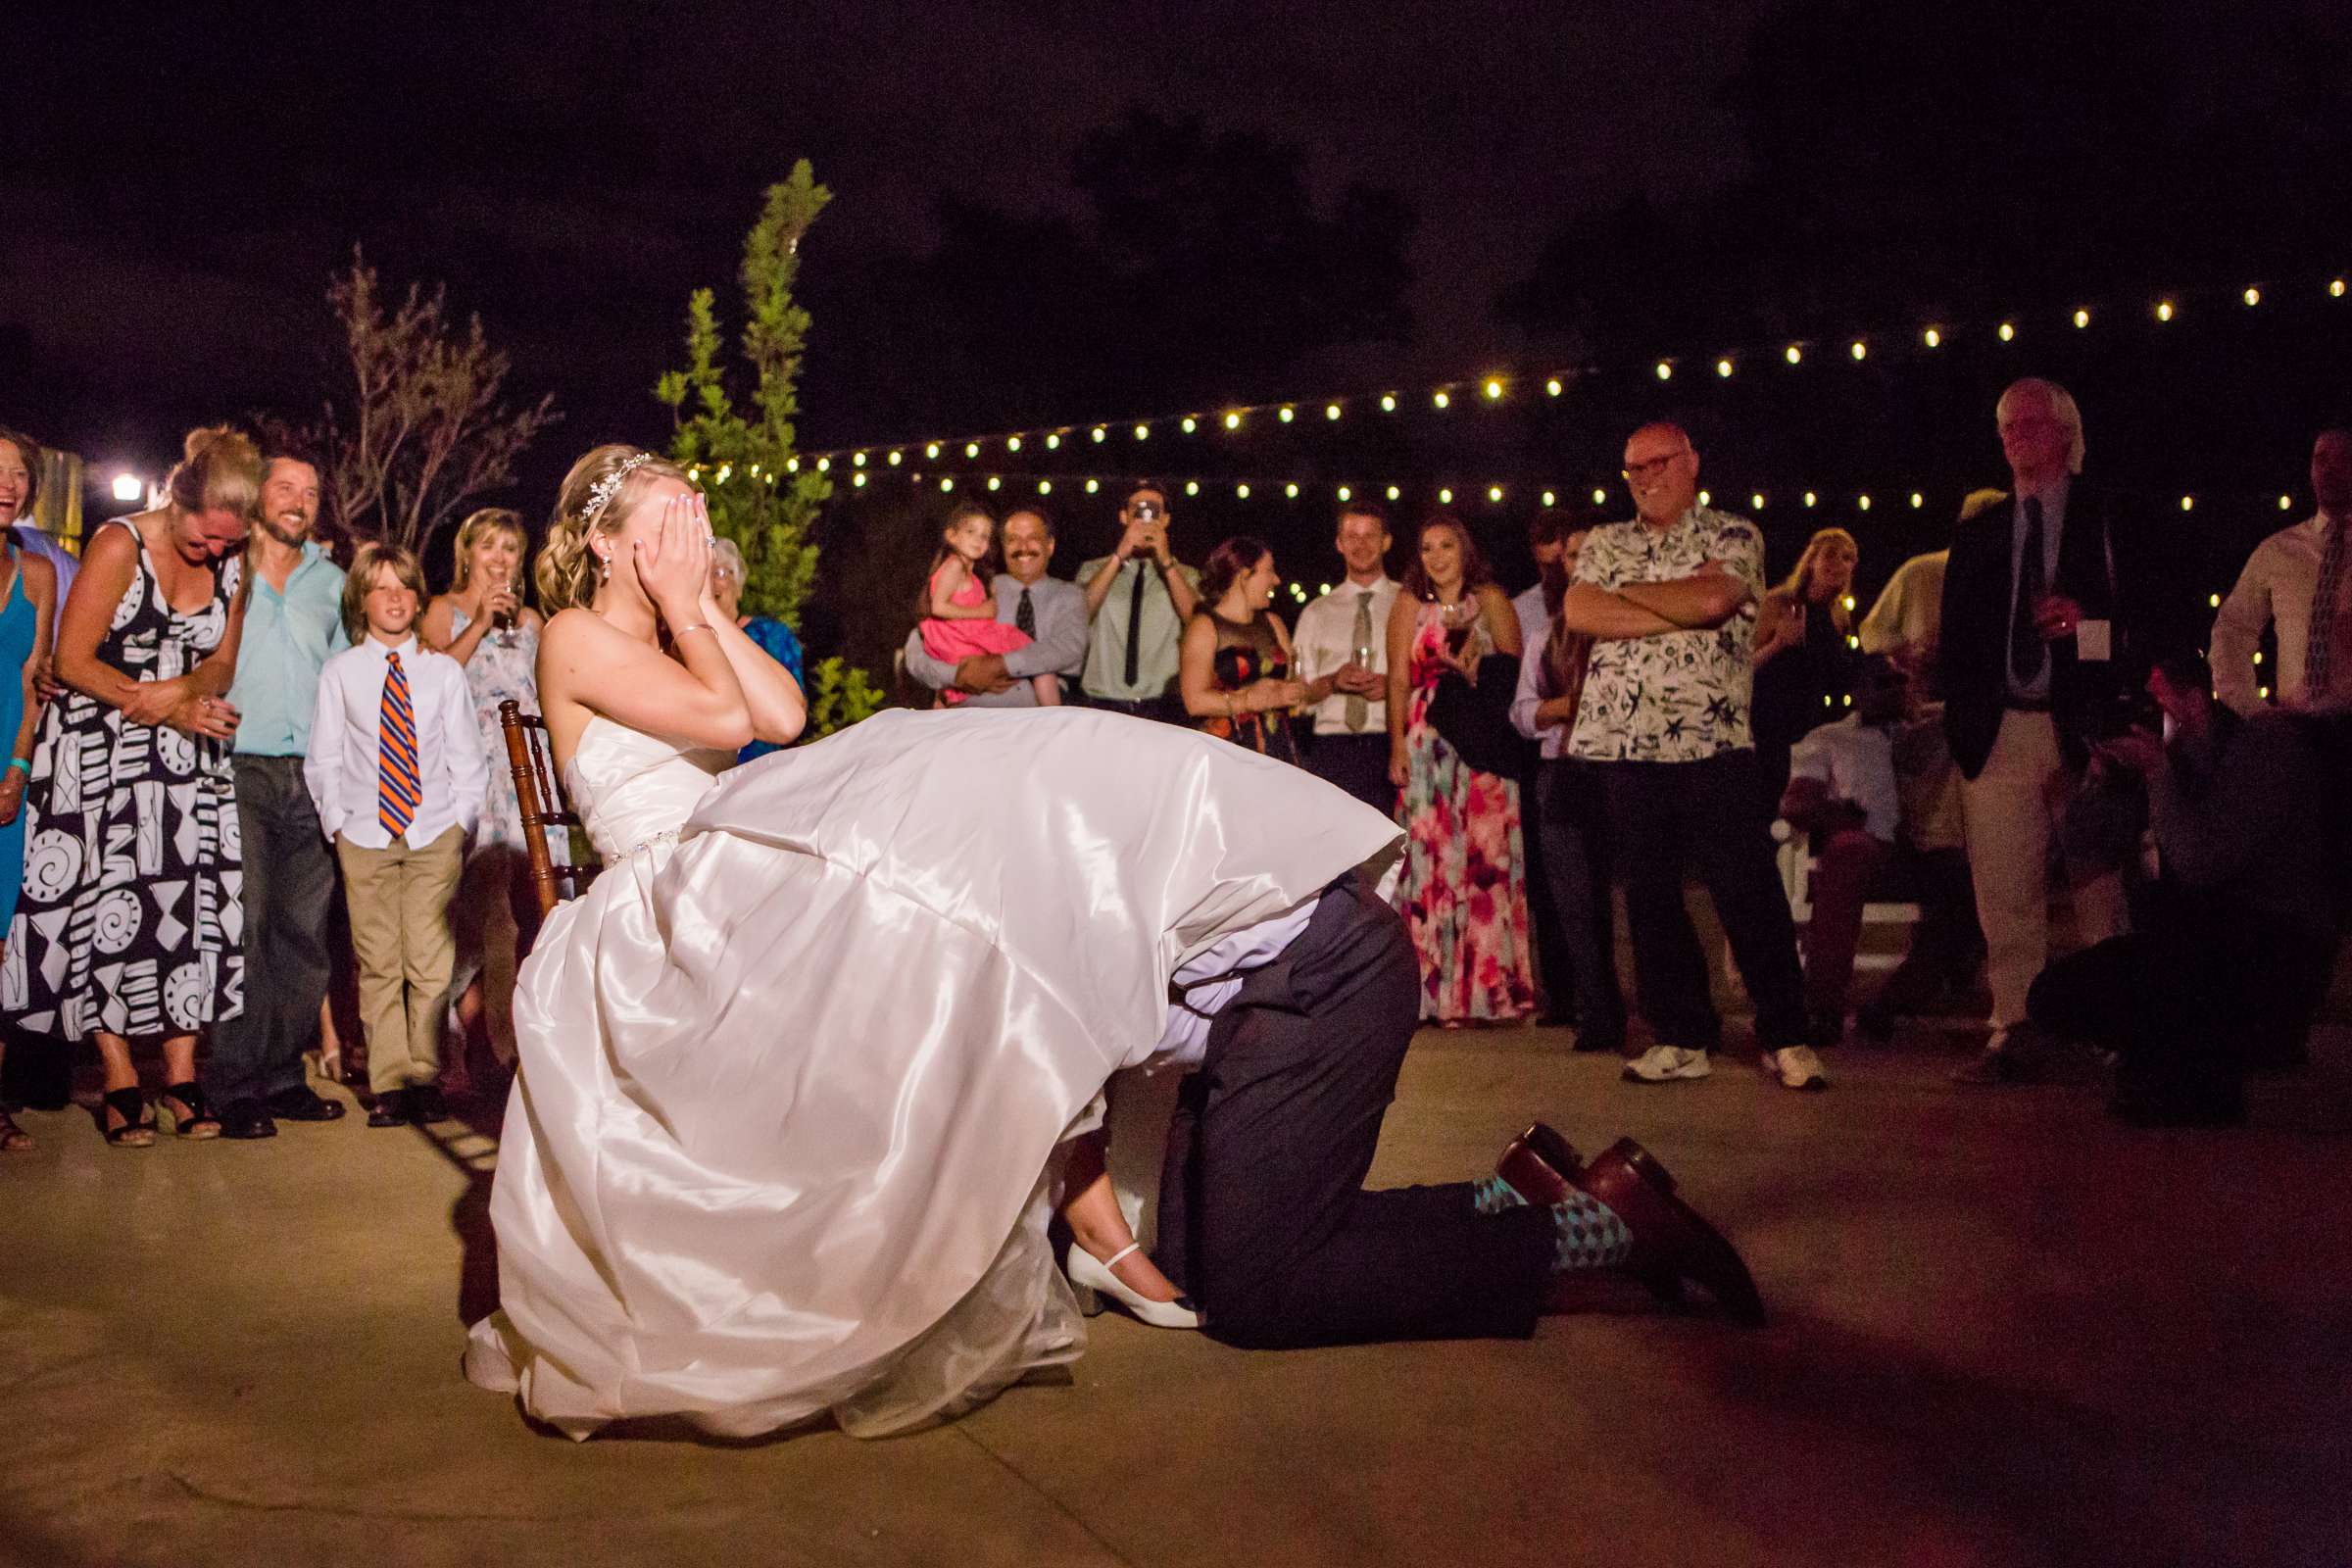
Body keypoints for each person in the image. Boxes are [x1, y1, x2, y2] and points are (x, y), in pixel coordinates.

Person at [466, 444, 1764, 1441]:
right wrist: (691, 607)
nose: (691, 538)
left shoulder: (688, 619)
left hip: (744, 873)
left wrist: (697, 602)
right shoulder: (574, 632)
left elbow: (777, 709)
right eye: (665, 523)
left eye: (697, 518)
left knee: (1236, 1247)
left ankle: (1572, 1230)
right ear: (602, 544)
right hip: (672, 901)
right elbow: (715, 712)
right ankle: (1471, 1206)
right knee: (938, 909)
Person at [1938, 378, 2194, 1084]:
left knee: (2098, 890)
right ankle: (2012, 1025)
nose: (2017, 435)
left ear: (2065, 433)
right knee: (2004, 891)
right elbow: (1956, 642)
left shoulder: (2111, 519)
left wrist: (2090, 630)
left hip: (2082, 727)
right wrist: (1964, 725)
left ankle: (2109, 1023)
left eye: (2031, 422)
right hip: (2000, 730)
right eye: (2007, 425)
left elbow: (2159, 623)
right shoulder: (1979, 533)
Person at [5, 425, 254, 1146]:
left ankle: (181, 1075)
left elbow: (222, 664)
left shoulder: (232, 555)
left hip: (188, 762)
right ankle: (118, 1079)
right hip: (102, 757)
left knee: (186, 911)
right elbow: (72, 659)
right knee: (110, 911)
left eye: (225, 544)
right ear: (176, 505)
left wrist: (179, 692)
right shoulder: (120, 544)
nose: (213, 554)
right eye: (203, 540)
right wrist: (144, 698)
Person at [1555, 421, 1822, 1091]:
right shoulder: (1609, 541)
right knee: (1648, 895)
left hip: (1712, 737)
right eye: (1632, 468)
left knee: (1745, 886)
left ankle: (1786, 1031)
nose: (1644, 477)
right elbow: (1581, 610)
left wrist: (1635, 598)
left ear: (1692, 462)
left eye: (1657, 463)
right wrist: (1674, 602)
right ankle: (1681, 1033)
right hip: (1624, 739)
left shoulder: (1734, 535)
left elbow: (1714, 598)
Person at [2031, 652, 2339, 1125]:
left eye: (2155, 705)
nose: (2145, 720)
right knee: (2055, 995)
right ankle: (2178, 1067)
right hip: (2198, 952)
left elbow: (2200, 861)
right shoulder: (2167, 765)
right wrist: (2102, 776)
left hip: (2271, 958)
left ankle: (2201, 1072)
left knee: (2154, 986)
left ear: (2193, 704)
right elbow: (2081, 841)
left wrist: (2158, 773)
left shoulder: (2260, 750)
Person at [307, 544, 487, 1128]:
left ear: (417, 598)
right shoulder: (341, 673)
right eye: (380, 588)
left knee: (430, 963)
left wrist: (462, 821)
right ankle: (389, 1081)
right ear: (362, 599)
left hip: (433, 829)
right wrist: (337, 821)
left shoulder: (441, 673)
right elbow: (325, 757)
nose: (394, 598)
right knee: (379, 961)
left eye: (404, 588)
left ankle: (425, 1075)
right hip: (365, 832)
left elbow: (467, 756)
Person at [209, 451, 350, 1139]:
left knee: (303, 933)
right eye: (286, 487)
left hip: (316, 776)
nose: (300, 499)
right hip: (237, 768)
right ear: (257, 496)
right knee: (247, 925)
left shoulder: (334, 583)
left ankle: (283, 1076)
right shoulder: (223, 568)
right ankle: (233, 1085)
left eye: (312, 490)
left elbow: (356, 679)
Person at [1387, 514, 1536, 1025]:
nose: (1436, 555)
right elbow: (1396, 682)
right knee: (1430, 863)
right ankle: (1433, 994)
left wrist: (1475, 673)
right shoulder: (1410, 604)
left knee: (1482, 861)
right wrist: (1397, 750)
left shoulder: (1490, 600)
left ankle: (1486, 991)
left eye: (1446, 545)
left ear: (1464, 549)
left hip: (1480, 742)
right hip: (1426, 738)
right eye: (1427, 547)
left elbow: (1514, 677)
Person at [419, 507, 552, 1079]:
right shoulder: (442, 611)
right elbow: (429, 685)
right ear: (467, 553)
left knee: (531, 916)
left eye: (510, 549)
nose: (500, 559)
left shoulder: (532, 621)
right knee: (483, 917)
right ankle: (494, 1048)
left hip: (530, 776)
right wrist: (476, 623)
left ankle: (500, 1038)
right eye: (489, 547)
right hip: (472, 780)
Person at [1509, 526, 1626, 1054]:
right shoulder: (1547, 635)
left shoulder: (1629, 630)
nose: (1582, 564)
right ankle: (1598, 1013)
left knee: (1641, 897)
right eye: (1575, 556)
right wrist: (1563, 708)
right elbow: (1522, 712)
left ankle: (1672, 1014)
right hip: (1563, 771)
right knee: (1574, 901)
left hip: (1621, 772)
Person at [1778, 660, 1908, 1047]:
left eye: (1898, 681)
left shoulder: (1932, 732)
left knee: (1967, 883)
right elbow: (1796, 803)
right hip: (1870, 840)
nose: (1892, 689)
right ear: (1859, 688)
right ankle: (1824, 1006)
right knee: (1846, 854)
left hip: (1932, 842)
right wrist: (1840, 813)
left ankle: (1889, 1002)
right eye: (1881, 682)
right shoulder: (1831, 737)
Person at [2210, 427, 2352, 715]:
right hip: (2297, 726)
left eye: (2343, 459)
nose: (2330, 469)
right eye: (2321, 459)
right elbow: (2233, 626)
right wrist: (2253, 709)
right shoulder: (2280, 551)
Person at [0, 454, 56, 1152]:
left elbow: (32, 681)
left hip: (7, 780)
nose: (7, 485)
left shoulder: (36, 572)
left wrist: (18, 767)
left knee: (3, 945)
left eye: (17, 473)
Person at [903, 508, 1088, 710]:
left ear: (1050, 545)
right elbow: (917, 649)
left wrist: (1000, 664)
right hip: (970, 716)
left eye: (1033, 538)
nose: (1023, 547)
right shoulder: (979, 586)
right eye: (1012, 540)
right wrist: (956, 675)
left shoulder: (1070, 595)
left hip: (1040, 717)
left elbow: (1068, 649)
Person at [1289, 504, 1400, 814]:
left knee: (1391, 851)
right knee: (1336, 852)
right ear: (1339, 543)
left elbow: (1431, 679)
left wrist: (1395, 686)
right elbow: (1297, 696)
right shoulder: (1316, 612)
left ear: (1386, 542)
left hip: (1390, 741)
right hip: (1332, 746)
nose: (1360, 545)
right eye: (1352, 536)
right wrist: (1332, 683)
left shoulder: (1407, 605)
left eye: (1370, 536)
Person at [1751, 527, 1863, 816]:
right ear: (1811, 560)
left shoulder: (1839, 616)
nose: (1839, 563)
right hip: (1770, 723)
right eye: (1830, 555)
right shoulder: (1780, 603)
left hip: (1811, 723)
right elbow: (1742, 666)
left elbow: (1839, 677)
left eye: (1847, 558)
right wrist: (1778, 643)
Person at [1076, 483, 1200, 718]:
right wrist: (1118, 557)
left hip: (1162, 704)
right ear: (1124, 517)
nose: (1146, 518)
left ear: (1165, 520)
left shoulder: (1186, 575)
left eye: (1154, 511)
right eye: (1138, 510)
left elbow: (1197, 623)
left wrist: (1166, 563)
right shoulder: (1093, 570)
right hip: (1102, 701)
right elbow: (1078, 616)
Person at [1179, 537, 1304, 762]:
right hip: (1228, 751)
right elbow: (1194, 701)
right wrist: (1247, 700)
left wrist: (1296, 693)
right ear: (1244, 574)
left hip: (1277, 748)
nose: (1276, 580)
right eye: (1269, 571)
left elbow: (1293, 683)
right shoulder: (1205, 626)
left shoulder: (1273, 623)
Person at [709, 536, 808, 760]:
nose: (711, 582)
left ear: (739, 587)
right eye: (703, 573)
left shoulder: (769, 634)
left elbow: (795, 709)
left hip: (757, 767)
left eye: (720, 573)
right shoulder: (683, 636)